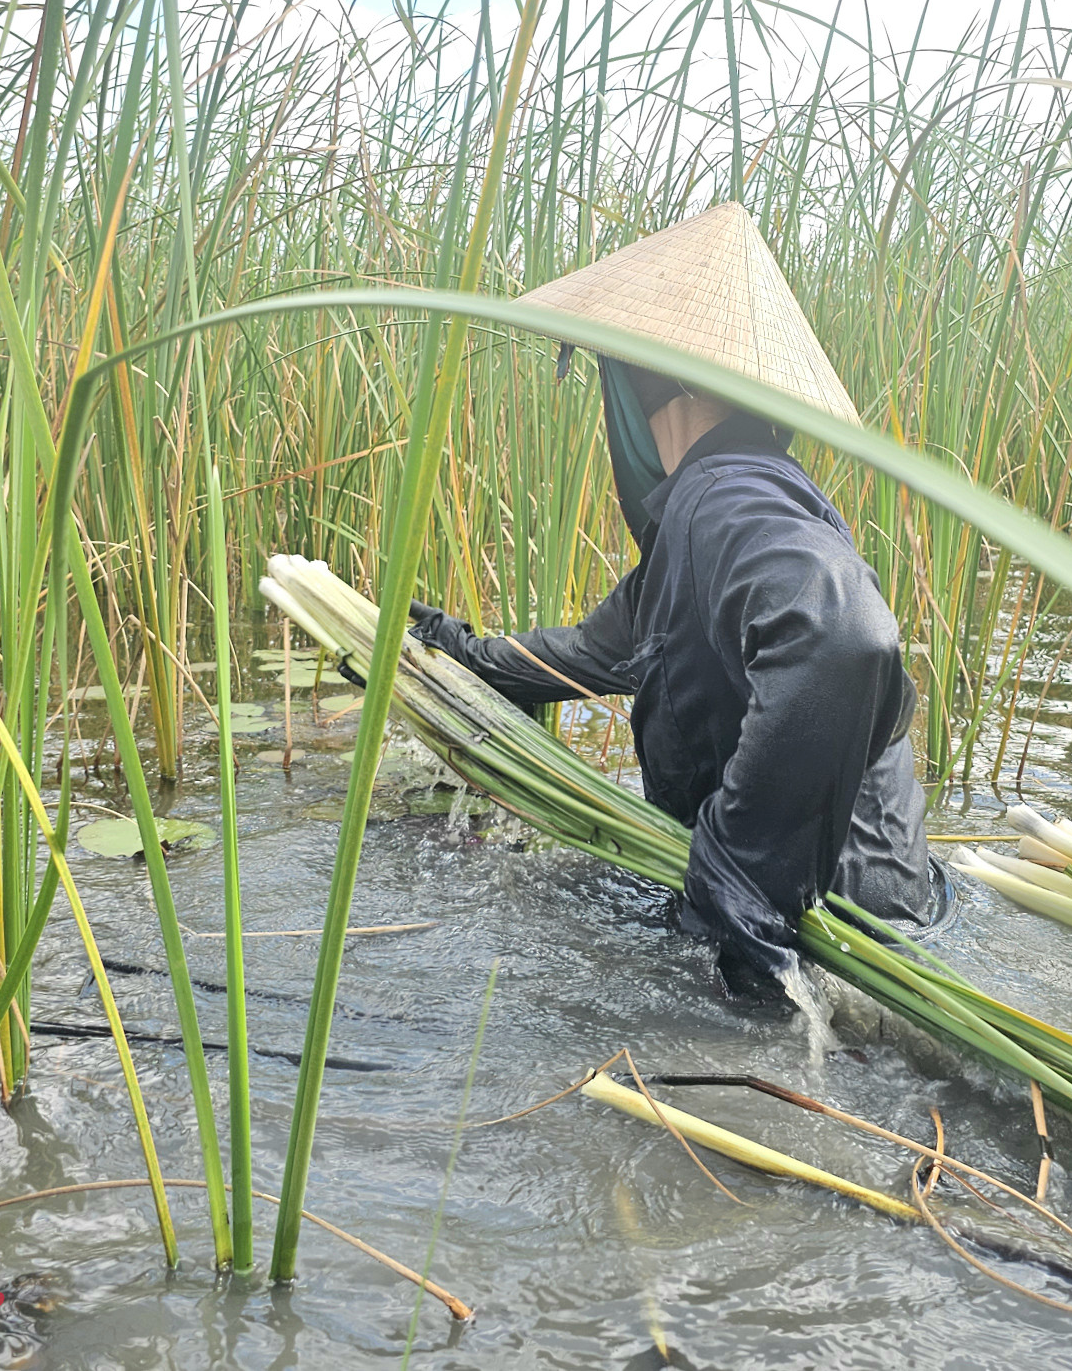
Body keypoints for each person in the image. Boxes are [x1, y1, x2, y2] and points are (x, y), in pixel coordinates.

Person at [401, 203, 952, 984]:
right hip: (870, 934)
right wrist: (460, 651)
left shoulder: (727, 498)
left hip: (843, 952)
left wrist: (740, 868)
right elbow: (596, 652)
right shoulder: (716, 510)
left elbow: (844, 637)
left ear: (645, 379)